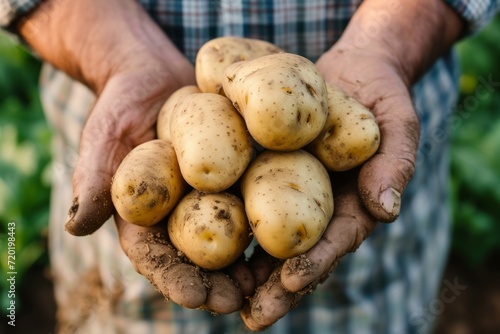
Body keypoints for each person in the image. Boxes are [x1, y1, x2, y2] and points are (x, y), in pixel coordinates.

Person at [1, 0, 498, 332]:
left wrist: (389, 43)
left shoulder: (278, 101)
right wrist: (113, 55)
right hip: (120, 250)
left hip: (377, 263)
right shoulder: (204, 110)